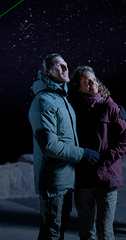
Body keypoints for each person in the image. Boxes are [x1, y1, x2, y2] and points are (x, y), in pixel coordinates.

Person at [29, 53, 100, 240]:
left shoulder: (62, 98)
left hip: (67, 177)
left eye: (66, 65)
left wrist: (112, 106)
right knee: (52, 231)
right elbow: (49, 145)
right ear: (47, 72)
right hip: (55, 180)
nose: (65, 68)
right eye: (59, 66)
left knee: (60, 228)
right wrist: (82, 153)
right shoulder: (44, 101)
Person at [68, 66, 126, 240]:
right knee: (86, 230)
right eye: (86, 81)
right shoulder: (73, 109)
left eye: (94, 79)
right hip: (84, 179)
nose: (92, 83)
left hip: (107, 177)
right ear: (78, 86)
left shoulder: (110, 107)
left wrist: (104, 161)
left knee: (105, 229)